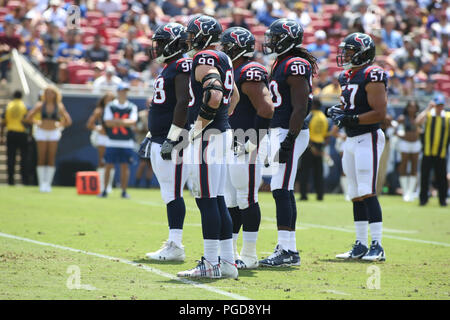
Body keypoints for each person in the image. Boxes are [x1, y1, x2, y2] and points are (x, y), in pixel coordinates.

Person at [176, 15, 240, 279]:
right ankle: (227, 262)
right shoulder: (223, 57)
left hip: (209, 136)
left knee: (206, 200)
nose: (189, 39)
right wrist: (222, 120)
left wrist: (198, 126)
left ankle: (211, 263)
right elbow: (232, 95)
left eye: (192, 34)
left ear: (202, 35)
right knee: (218, 199)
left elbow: (214, 94)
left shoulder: (204, 58)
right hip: (221, 133)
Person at [259, 18, 317, 267]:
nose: (269, 41)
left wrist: (289, 139)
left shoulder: (294, 64)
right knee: (282, 188)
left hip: (289, 131)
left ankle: (288, 250)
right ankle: (287, 247)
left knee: (281, 188)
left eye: (274, 37)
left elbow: (302, 106)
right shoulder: (283, 61)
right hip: (282, 130)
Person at [326, 32, 388, 261]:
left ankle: (377, 245)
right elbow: (352, 107)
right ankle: (361, 244)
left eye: (350, 51)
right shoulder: (347, 76)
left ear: (363, 52)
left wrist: (351, 119)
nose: (346, 55)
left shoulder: (373, 74)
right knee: (354, 193)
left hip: (368, 136)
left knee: (366, 189)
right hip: (351, 139)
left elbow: (379, 113)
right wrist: (340, 113)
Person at [220, 27, 274, 269]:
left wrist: (255, 139)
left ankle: (249, 255)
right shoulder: (234, 70)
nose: (223, 50)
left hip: (248, 142)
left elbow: (266, 109)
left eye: (227, 46)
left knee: (247, 198)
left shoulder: (249, 71)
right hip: (234, 142)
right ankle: (229, 253)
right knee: (231, 200)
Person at [140, 23, 191, 262]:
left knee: (174, 193)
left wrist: (173, 137)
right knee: (168, 193)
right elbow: (164, 106)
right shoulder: (170, 66)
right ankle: (173, 242)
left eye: (161, 42)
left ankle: (176, 245)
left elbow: (183, 103)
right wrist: (150, 135)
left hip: (176, 139)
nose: (157, 47)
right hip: (161, 137)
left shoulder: (182, 65)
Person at [25, 85, 72, 192]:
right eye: (47, 93)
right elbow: (28, 117)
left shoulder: (59, 106)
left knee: (51, 157)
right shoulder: (40, 105)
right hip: (41, 132)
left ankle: (48, 184)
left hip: (53, 133)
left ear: (55, 94)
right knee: (42, 157)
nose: (49, 95)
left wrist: (59, 125)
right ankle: (42, 183)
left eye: (51, 93)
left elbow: (68, 120)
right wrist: (38, 123)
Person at [100, 82, 138, 199]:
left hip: (127, 142)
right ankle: (105, 190)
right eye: (122, 91)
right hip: (112, 141)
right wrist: (123, 122)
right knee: (108, 165)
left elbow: (132, 122)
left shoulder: (132, 106)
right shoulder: (110, 106)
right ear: (118, 92)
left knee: (125, 166)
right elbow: (107, 122)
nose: (123, 93)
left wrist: (116, 121)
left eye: (125, 91)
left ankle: (124, 191)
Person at [415, 94, 450, 207]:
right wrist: (428, 108)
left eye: (441, 105)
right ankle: (423, 199)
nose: (439, 108)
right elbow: (418, 122)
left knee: (442, 178)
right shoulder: (429, 115)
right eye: (437, 105)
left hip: (441, 153)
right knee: (424, 177)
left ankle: (443, 200)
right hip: (427, 152)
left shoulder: (448, 117)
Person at [298, 97, 328, 201]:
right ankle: (320, 195)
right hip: (320, 145)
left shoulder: (310, 116)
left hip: (309, 146)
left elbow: (305, 131)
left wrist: (311, 147)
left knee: (304, 172)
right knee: (318, 173)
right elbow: (326, 135)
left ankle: (303, 195)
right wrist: (321, 148)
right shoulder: (323, 117)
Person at [86, 91, 115, 194]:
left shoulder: (117, 110)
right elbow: (89, 124)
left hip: (113, 138)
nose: (110, 101)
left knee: (111, 162)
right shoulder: (99, 110)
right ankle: (102, 186)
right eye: (108, 99)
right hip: (102, 138)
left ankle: (109, 185)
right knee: (102, 161)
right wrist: (98, 129)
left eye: (112, 99)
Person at [0, 91, 29, 186]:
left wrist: (1, 136)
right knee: (23, 158)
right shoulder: (24, 106)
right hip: (22, 134)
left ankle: (11, 181)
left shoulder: (9, 106)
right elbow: (27, 122)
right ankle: (24, 180)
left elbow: (3, 122)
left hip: (11, 133)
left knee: (11, 158)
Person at [396, 100, 421, 202]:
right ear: (407, 108)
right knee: (404, 165)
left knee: (414, 167)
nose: (412, 109)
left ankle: (410, 192)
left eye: (414, 107)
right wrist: (402, 135)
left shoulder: (419, 118)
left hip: (415, 144)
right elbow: (396, 131)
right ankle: (405, 191)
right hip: (405, 144)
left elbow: (421, 129)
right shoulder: (402, 118)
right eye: (410, 107)